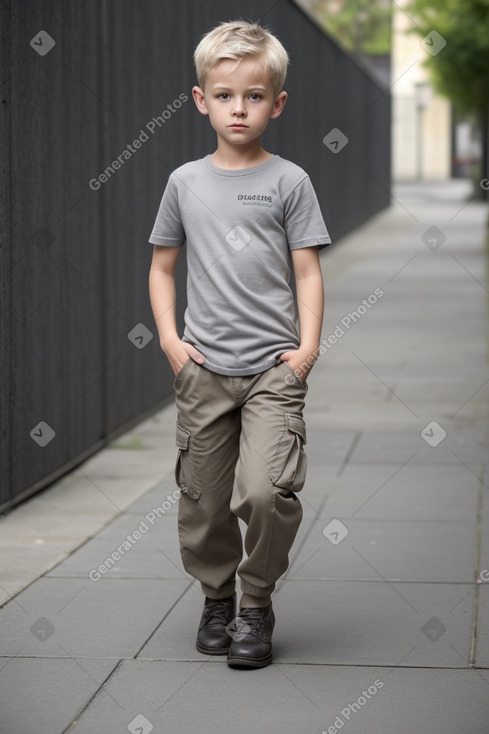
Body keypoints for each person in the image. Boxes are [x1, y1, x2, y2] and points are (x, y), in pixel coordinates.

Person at [148, 19, 331, 668]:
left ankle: (255, 602)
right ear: (201, 99)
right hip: (201, 369)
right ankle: (216, 595)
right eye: (224, 95)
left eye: (253, 96)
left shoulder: (289, 182)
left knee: (263, 492)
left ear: (275, 103)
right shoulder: (184, 183)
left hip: (272, 371)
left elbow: (306, 270)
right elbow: (162, 266)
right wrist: (171, 340)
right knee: (202, 500)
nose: (238, 108)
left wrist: (306, 350)